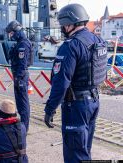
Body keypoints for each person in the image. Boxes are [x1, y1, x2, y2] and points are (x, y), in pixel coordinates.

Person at [43, 4, 107, 163]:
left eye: (63, 25)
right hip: (93, 101)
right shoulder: (98, 40)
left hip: (76, 105)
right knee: (84, 148)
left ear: (69, 23)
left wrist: (50, 109)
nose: (63, 28)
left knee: (75, 154)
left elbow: (61, 83)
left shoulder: (70, 46)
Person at [5, 20, 32, 131]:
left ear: (16, 31)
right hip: (18, 76)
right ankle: (22, 125)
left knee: (23, 103)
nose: (11, 36)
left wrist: (18, 78)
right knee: (20, 103)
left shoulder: (23, 44)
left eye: (11, 33)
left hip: (20, 76)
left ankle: (24, 128)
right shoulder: (19, 43)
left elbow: (22, 63)